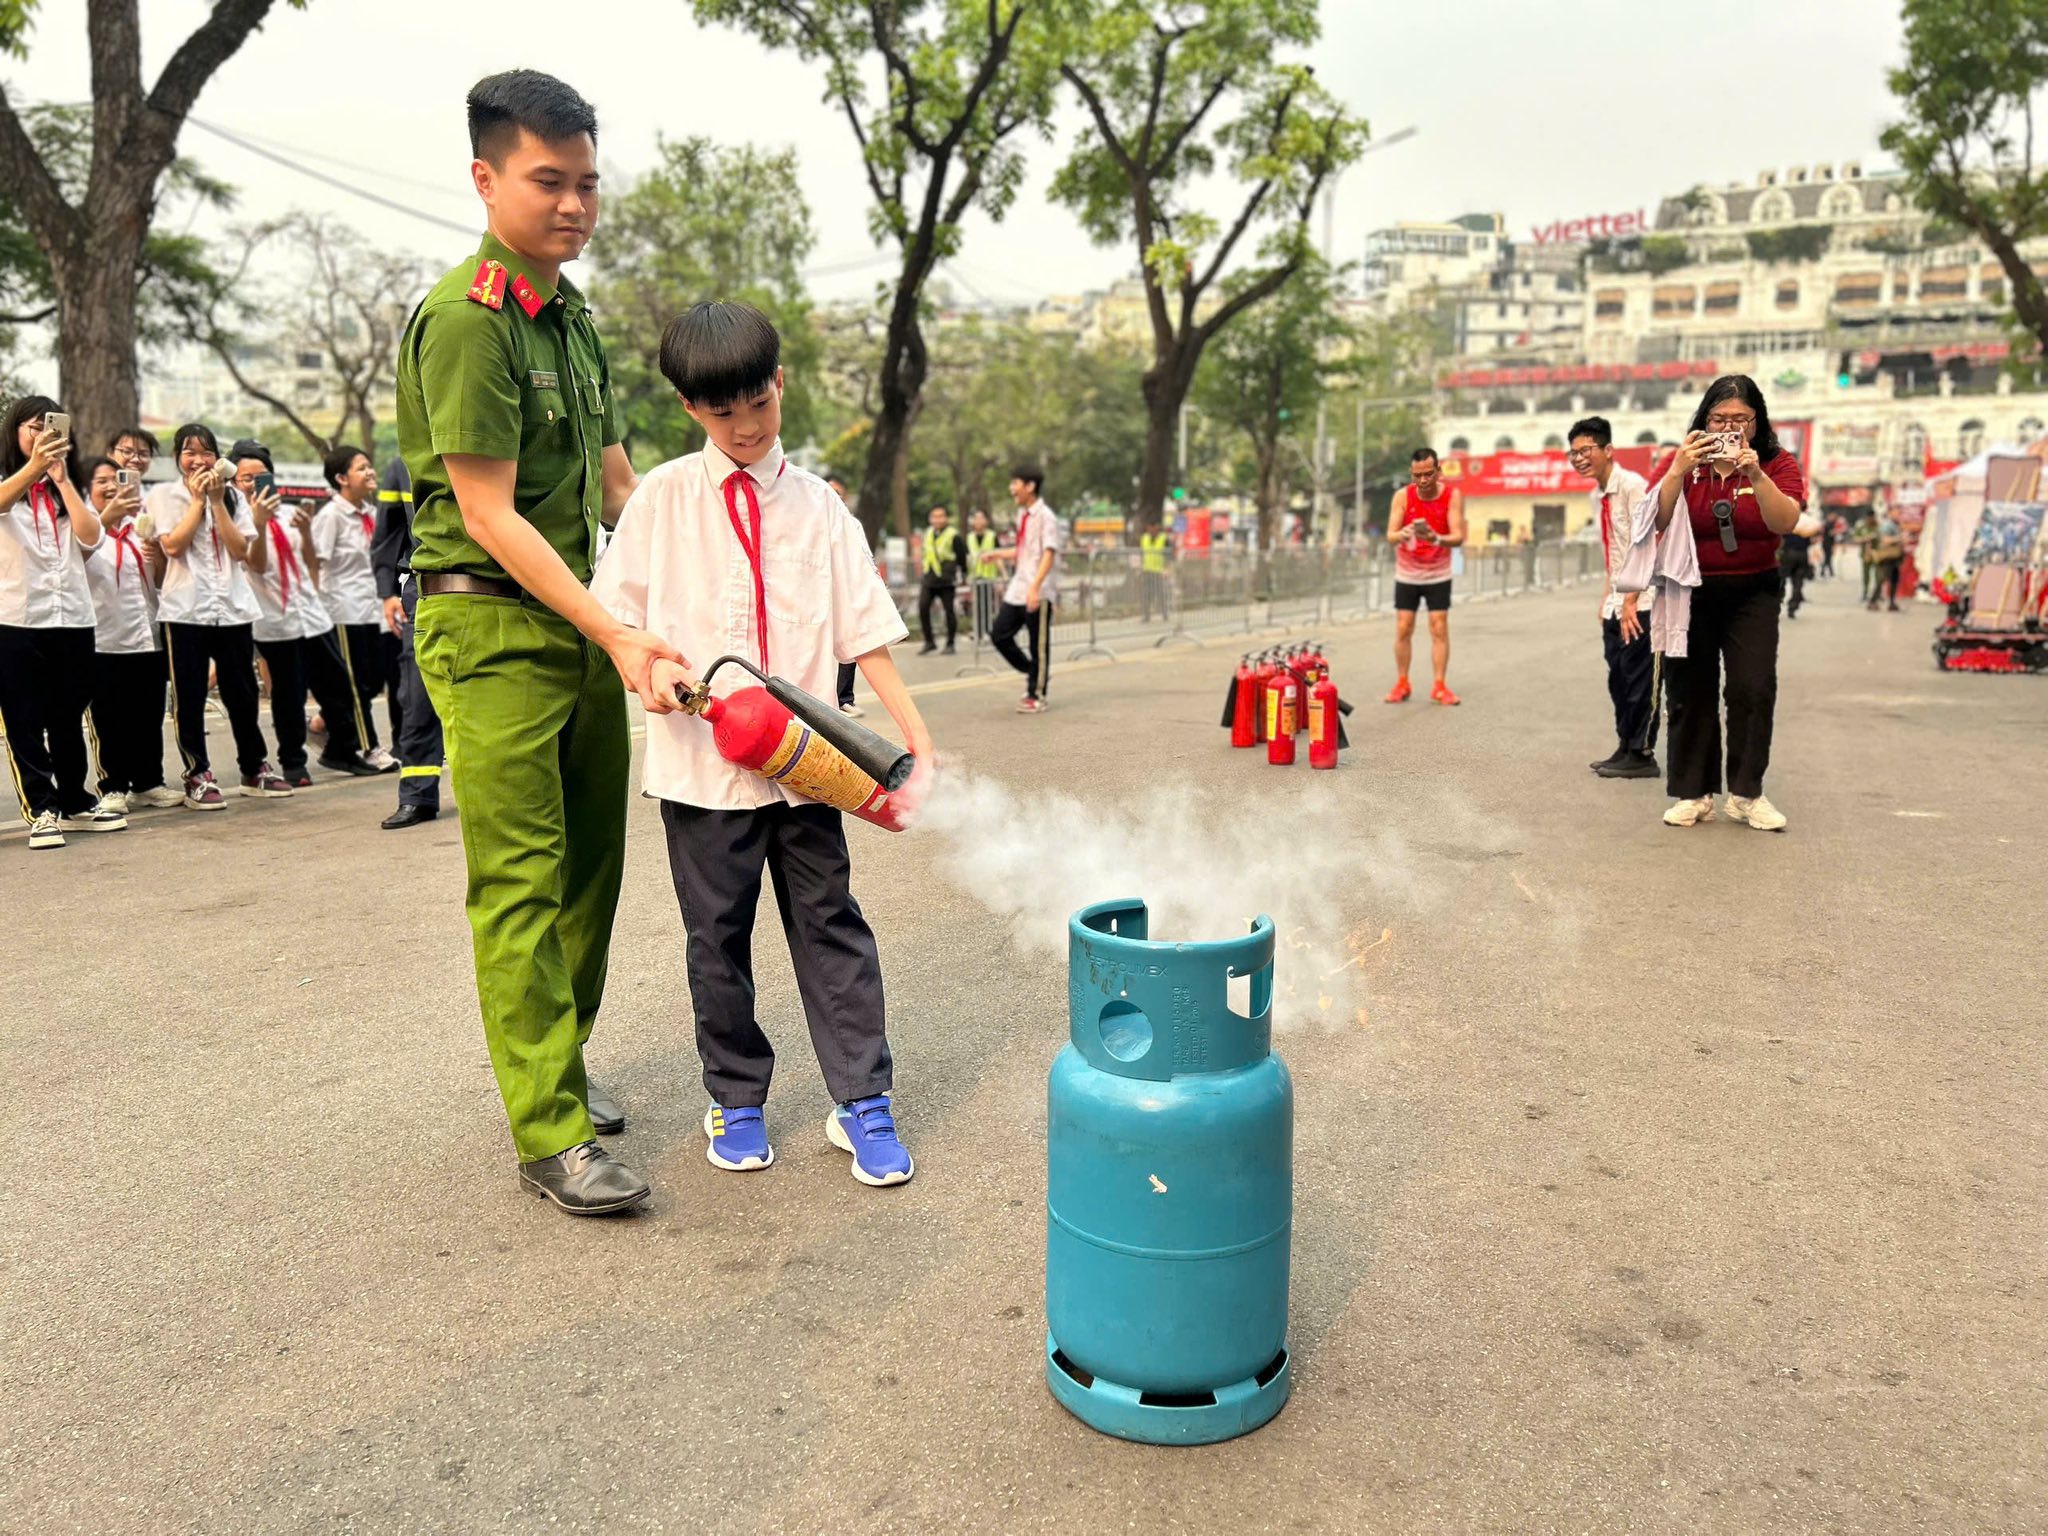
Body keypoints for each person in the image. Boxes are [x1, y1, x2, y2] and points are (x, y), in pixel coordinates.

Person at [397, 69, 678, 1214]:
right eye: (547, 182)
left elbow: (618, 486)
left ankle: (561, 1059)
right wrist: (617, 628)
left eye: (587, 184)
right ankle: (548, 1130)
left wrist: (714, 536)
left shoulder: (570, 320)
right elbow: (488, 511)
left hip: (576, 623)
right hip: (490, 627)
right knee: (518, 881)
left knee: (592, 875)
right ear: (486, 178)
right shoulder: (469, 321)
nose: (573, 205)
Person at [593, 298, 932, 1189]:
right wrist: (650, 674)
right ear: (688, 409)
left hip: (810, 771)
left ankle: (862, 1100)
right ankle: (736, 1097)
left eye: (759, 404)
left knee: (832, 926)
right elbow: (615, 619)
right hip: (702, 773)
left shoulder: (821, 508)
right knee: (718, 936)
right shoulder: (661, 502)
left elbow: (868, 635)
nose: (745, 428)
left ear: (781, 384)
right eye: (722, 412)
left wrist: (916, 743)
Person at [1632, 374, 1807, 831]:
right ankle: (1695, 792)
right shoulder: (1686, 461)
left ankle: (1747, 793)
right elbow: (1657, 518)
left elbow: (1785, 520)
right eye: (1718, 418)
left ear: (1757, 421)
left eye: (1740, 419)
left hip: (1754, 590)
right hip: (1690, 590)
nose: (1729, 427)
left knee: (1752, 688)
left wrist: (1755, 473)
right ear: (1704, 419)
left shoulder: (1776, 462)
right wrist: (1676, 469)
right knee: (1690, 691)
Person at [0, 397, 126, 848]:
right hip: (17, 619)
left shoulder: (61, 487)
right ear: (14, 431)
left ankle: (74, 800)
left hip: (71, 617)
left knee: (68, 714)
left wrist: (61, 478)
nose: (42, 436)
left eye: (50, 428)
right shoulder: (7, 484)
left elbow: (92, 537)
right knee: (24, 719)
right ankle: (42, 809)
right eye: (34, 427)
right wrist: (33, 468)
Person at [145, 424, 293, 806]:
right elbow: (174, 546)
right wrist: (197, 501)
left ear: (217, 457)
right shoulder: (163, 494)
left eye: (206, 452)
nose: (199, 460)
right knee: (189, 696)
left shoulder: (231, 497)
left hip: (232, 607)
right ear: (177, 457)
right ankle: (197, 774)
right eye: (190, 452)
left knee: (242, 693)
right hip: (186, 609)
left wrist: (214, 501)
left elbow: (241, 549)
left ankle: (254, 767)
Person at [231, 440, 376, 786]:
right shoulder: (239, 519)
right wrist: (259, 523)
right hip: (276, 619)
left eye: (262, 476)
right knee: (289, 693)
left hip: (311, 611)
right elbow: (258, 563)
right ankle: (293, 760)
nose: (254, 483)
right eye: (246, 478)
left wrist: (307, 531)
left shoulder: (286, 512)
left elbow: (311, 563)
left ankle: (343, 749)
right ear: (234, 483)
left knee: (340, 684)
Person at [80, 456, 179, 813]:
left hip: (146, 634)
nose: (110, 486)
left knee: (148, 715)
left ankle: (149, 782)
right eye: (101, 481)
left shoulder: (143, 526)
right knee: (108, 718)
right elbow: (74, 565)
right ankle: (113, 786)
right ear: (87, 489)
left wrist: (160, 556)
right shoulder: (84, 528)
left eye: (115, 479)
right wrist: (103, 522)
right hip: (104, 638)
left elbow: (161, 582)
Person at [1569, 417, 1657, 778]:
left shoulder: (1633, 486)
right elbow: (1615, 550)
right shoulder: (1597, 494)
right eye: (1572, 453)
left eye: (1585, 450)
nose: (1578, 458)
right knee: (1618, 678)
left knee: (1639, 680)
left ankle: (1641, 754)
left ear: (1608, 451)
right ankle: (1625, 746)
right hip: (1617, 602)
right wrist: (1608, 597)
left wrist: (1631, 601)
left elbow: (1647, 543)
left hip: (1642, 602)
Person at [312, 444, 399, 771]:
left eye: (369, 466)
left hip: (373, 609)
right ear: (341, 478)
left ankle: (326, 721)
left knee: (375, 679)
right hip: (344, 609)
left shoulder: (372, 514)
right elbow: (316, 564)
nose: (370, 472)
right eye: (361, 468)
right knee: (357, 683)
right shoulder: (331, 517)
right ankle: (368, 747)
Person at [371, 453, 447, 828]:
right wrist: (387, 592)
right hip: (426, 588)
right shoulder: (401, 464)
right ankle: (418, 795)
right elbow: (387, 535)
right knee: (417, 698)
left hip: (491, 585)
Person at [1384, 447, 1466, 705]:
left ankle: (1440, 685)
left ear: (1438, 471)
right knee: (1403, 626)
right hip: (1407, 573)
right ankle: (1402, 682)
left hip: (1438, 572)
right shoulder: (1402, 496)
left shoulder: (1452, 495)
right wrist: (1404, 533)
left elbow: (1458, 536)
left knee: (1438, 626)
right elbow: (1390, 535)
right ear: (1411, 473)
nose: (1422, 480)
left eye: (1428, 474)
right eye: (1417, 475)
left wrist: (1436, 538)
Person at [986, 465, 1062, 713]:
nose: (1012, 489)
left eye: (1015, 483)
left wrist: (1036, 588)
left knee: (1037, 643)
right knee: (999, 634)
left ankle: (1037, 694)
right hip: (1018, 588)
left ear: (1030, 486)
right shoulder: (1023, 516)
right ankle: (1034, 672)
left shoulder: (1046, 516)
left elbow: (1049, 554)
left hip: (1037, 591)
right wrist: (998, 554)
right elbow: (1023, 551)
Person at [824, 476, 863, 717]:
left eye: (838, 492)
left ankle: (844, 698)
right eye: (829, 491)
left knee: (849, 647)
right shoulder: (807, 523)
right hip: (817, 596)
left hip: (843, 594)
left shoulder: (852, 525)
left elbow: (863, 559)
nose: (833, 496)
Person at [916, 503, 963, 655]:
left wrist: (963, 573)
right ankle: (929, 642)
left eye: (941, 516)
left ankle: (950, 643)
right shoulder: (928, 533)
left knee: (949, 611)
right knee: (923, 607)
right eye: (934, 516)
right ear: (930, 519)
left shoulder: (953, 535)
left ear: (946, 518)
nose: (938, 519)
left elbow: (962, 555)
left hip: (946, 579)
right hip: (929, 578)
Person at [1866, 509, 1904, 612]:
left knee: (1893, 580)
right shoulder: (1887, 525)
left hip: (1894, 557)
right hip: (1887, 557)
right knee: (1882, 579)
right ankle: (1873, 601)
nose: (1899, 515)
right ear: (1890, 513)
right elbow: (1885, 540)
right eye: (1897, 512)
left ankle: (1891, 602)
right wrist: (1900, 538)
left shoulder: (1894, 525)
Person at [1138, 520, 1173, 622]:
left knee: (1161, 594)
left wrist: (1167, 569)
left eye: (1153, 527)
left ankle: (1165, 614)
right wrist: (1139, 568)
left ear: (1157, 527)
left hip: (1159, 572)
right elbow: (1141, 554)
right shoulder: (1144, 538)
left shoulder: (1164, 539)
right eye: (1149, 527)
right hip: (1147, 571)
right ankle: (1146, 616)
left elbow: (1169, 555)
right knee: (1146, 595)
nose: (1151, 529)